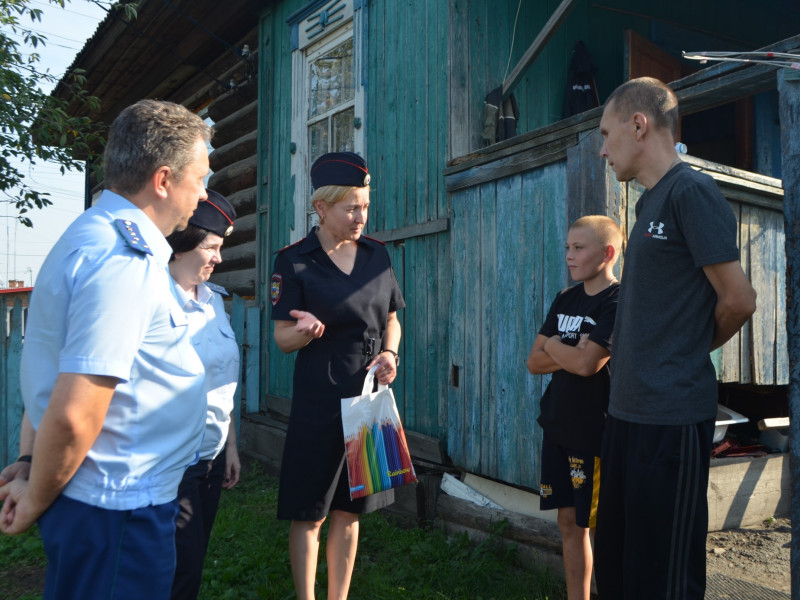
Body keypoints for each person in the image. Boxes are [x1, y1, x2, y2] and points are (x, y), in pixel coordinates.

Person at [0, 99, 212, 600]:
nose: (203, 195)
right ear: (163, 180)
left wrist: (33, 466)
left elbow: (50, 372)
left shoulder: (90, 236)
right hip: (118, 509)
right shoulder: (123, 258)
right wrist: (32, 499)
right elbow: (75, 411)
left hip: (107, 503)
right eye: (199, 178)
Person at [593, 77, 757, 599]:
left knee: (663, 581)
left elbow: (739, 299)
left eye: (605, 132)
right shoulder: (648, 205)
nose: (601, 148)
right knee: (619, 571)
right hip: (626, 415)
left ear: (639, 124)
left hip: (670, 417)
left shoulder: (692, 192)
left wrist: (685, 350)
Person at [270, 151, 405, 600]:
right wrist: (303, 331)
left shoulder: (377, 256)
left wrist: (390, 352)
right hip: (318, 397)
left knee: (352, 509)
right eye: (351, 208)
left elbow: (392, 317)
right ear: (321, 208)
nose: (360, 216)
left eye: (365, 206)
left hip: (368, 394)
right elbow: (282, 339)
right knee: (311, 512)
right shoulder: (294, 261)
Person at [527, 215, 621, 600]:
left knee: (597, 524)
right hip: (557, 425)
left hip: (592, 433)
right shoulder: (566, 298)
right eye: (568, 247)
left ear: (607, 253)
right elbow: (534, 362)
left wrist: (553, 347)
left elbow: (588, 365)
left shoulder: (617, 301)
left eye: (578, 248)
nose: (569, 255)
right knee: (568, 521)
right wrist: (566, 348)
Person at [166, 189, 241, 600]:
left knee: (190, 568)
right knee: (178, 569)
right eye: (211, 247)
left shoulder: (214, 302)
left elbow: (221, 383)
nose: (220, 257)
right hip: (171, 463)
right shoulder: (154, 300)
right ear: (181, 247)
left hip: (210, 459)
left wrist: (229, 447)